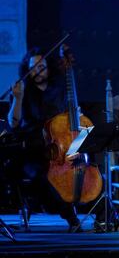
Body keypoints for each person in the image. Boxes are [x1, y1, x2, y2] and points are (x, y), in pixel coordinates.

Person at [7, 47, 106, 233]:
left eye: (41, 66)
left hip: (62, 151)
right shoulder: (24, 91)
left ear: (49, 67)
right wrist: (17, 99)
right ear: (27, 69)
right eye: (33, 67)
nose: (37, 71)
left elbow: (72, 128)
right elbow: (14, 123)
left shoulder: (60, 90)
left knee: (92, 174)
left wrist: (77, 117)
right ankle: (70, 216)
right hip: (34, 150)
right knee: (43, 176)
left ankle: (103, 217)